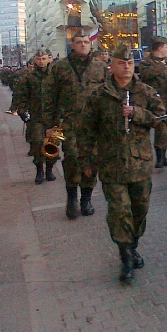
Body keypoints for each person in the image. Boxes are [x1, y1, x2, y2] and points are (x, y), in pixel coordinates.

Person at [80, 44, 165, 283]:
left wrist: (137, 113)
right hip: (111, 163)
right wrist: (86, 160)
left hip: (140, 163)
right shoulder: (99, 95)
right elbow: (86, 129)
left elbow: (159, 118)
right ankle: (125, 256)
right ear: (112, 65)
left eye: (129, 63)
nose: (126, 67)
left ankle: (132, 244)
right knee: (119, 212)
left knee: (140, 210)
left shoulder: (146, 91)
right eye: (121, 63)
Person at [43, 30, 107, 219]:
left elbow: (108, 95)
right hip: (68, 123)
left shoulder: (100, 66)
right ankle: (71, 198)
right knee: (71, 159)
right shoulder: (60, 67)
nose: (83, 45)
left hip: (93, 124)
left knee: (92, 160)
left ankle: (86, 198)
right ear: (72, 44)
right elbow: (49, 97)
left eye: (86, 42)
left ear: (91, 44)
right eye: (79, 42)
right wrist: (50, 124)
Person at [17, 49, 55, 184]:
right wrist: (21, 110)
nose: (41, 61)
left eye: (44, 59)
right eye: (38, 59)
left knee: (52, 144)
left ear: (49, 59)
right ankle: (39, 171)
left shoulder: (55, 76)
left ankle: (50, 170)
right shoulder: (29, 77)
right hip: (36, 117)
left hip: (53, 117)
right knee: (37, 144)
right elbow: (22, 95)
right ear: (34, 60)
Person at [139, 36, 167, 168]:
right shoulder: (146, 62)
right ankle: (160, 157)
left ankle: (164, 153)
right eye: (166, 47)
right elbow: (146, 75)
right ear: (160, 48)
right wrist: (161, 67)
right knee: (161, 129)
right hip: (156, 101)